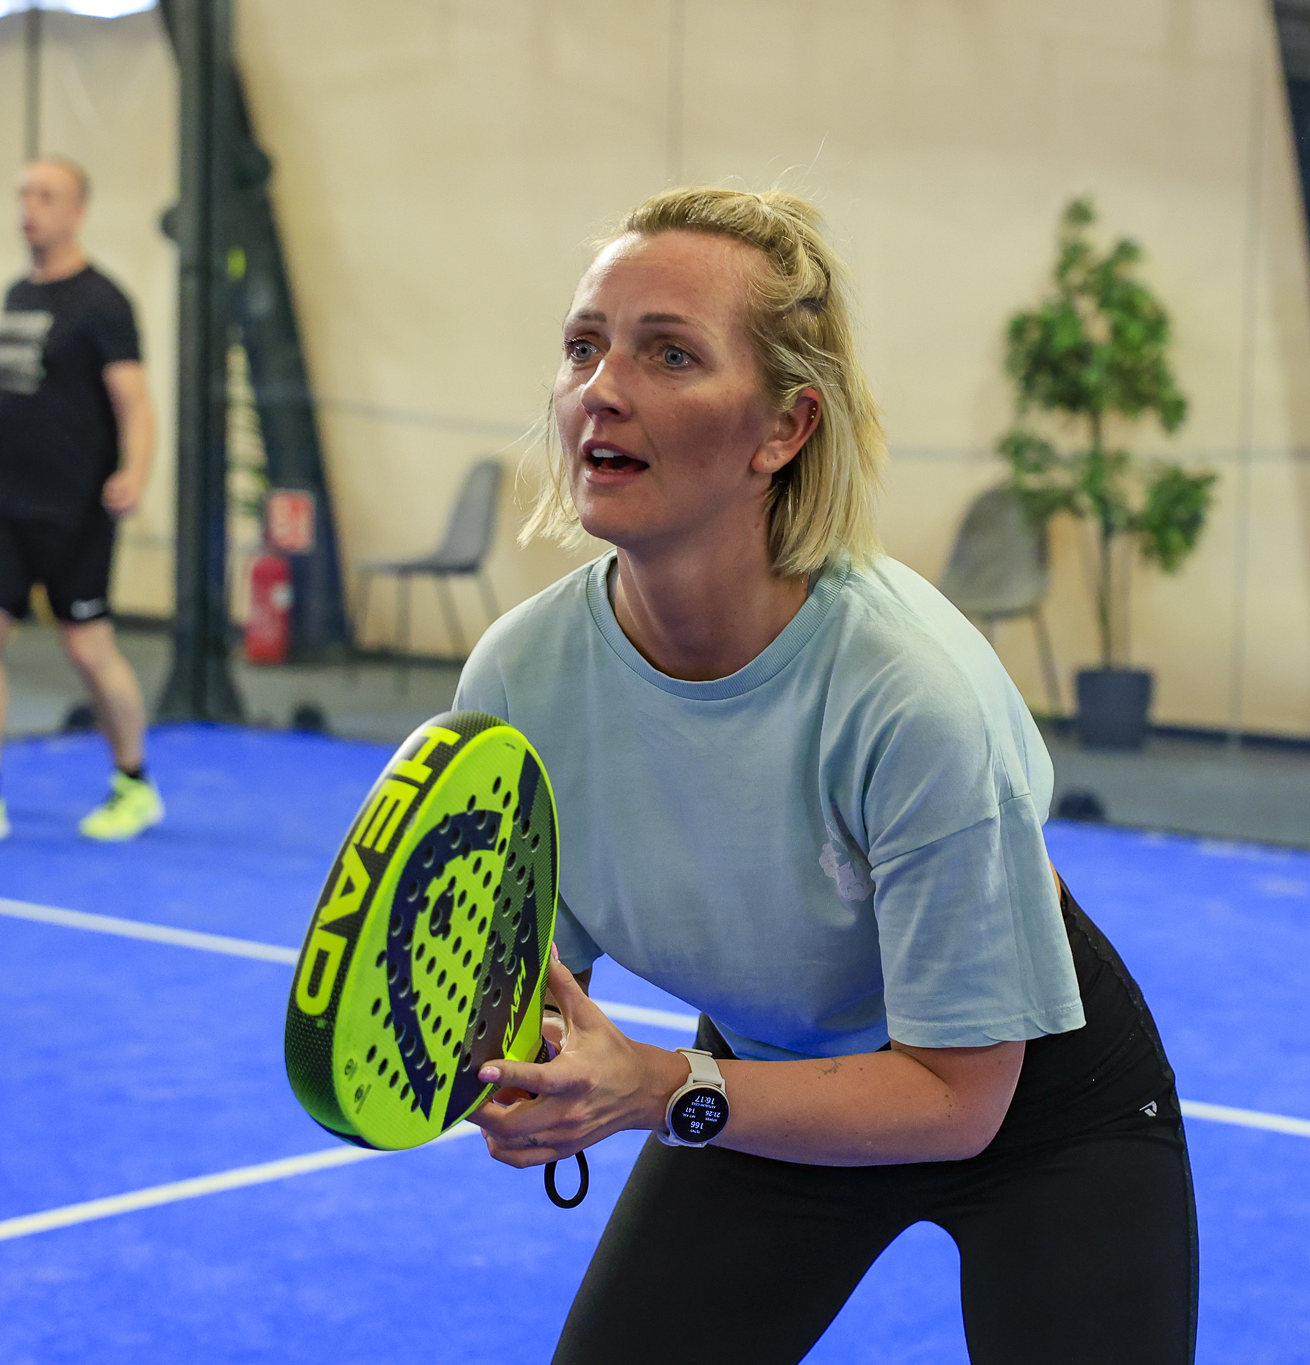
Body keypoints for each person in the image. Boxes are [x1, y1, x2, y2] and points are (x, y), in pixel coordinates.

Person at [457, 188, 1197, 1364]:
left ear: (784, 427)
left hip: (1032, 1107)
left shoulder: (914, 696)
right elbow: (528, 985)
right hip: (768, 1073)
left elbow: (957, 1102)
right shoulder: (516, 681)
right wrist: (526, 1075)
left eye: (668, 353)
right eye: (583, 347)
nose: (601, 387)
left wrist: (653, 1088)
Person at [0, 156, 162, 846]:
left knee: (87, 649)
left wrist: (135, 471)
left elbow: (135, 403)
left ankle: (134, 782)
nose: (31, 206)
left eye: (47, 195)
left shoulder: (104, 302)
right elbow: (10, 397)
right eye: (24, 192)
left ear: (77, 211)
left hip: (78, 507)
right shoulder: (17, 294)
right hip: (4, 501)